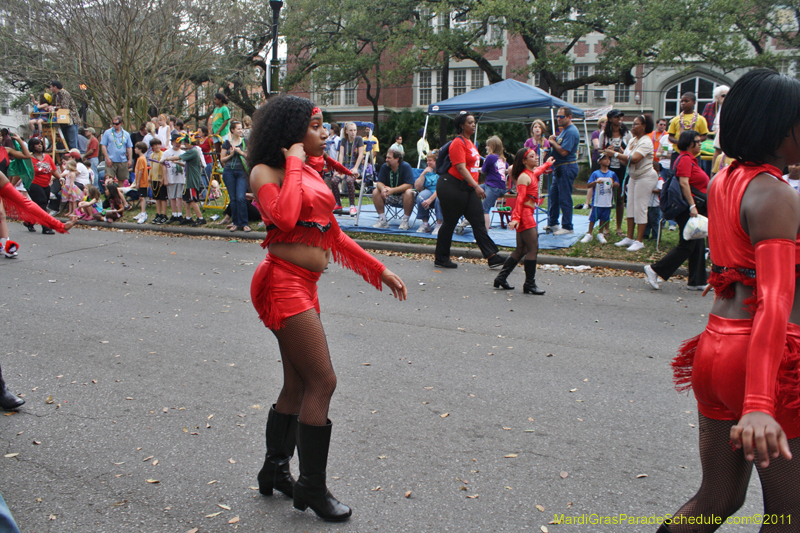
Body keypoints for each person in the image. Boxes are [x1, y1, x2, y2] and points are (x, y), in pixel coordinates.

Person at [247, 95, 406, 522]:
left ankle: (275, 469)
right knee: (324, 381)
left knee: (297, 386)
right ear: (293, 132)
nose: (325, 134)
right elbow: (283, 218)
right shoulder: (267, 172)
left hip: (306, 286)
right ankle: (311, 489)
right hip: (282, 286)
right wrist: (296, 162)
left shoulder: (309, 174)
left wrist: (380, 270)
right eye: (316, 127)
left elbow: (332, 235)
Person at [656, 69, 800, 533]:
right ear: (781, 131)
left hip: (715, 349)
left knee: (717, 497)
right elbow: (775, 302)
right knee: (789, 515)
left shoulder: (727, 179)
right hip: (766, 363)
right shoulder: (776, 196)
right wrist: (759, 403)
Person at [434, 112, 504, 268]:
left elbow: (472, 167)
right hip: (451, 186)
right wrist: (477, 186)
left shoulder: (471, 143)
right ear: (462, 125)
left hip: (468, 187)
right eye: (470, 122)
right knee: (450, 222)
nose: (473, 125)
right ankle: (441, 258)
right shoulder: (458, 143)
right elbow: (460, 167)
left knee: (478, 221)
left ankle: (492, 256)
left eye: (474, 122)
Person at [643, 130, 708, 291]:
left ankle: (697, 280)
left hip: (692, 207)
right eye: (697, 141)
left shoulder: (691, 160)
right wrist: (692, 206)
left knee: (698, 243)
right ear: (689, 143)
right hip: (687, 207)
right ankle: (655, 269)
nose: (700, 144)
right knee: (687, 245)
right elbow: (684, 183)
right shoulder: (685, 159)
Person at [493, 148, 554, 293]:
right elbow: (519, 200)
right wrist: (515, 219)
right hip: (525, 216)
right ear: (524, 161)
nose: (536, 158)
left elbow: (538, 170)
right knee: (532, 249)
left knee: (521, 249)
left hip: (525, 214)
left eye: (535, 156)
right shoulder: (524, 177)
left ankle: (501, 278)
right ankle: (529, 284)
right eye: (532, 156)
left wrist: (547, 164)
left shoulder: (531, 173)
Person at [611, 114, 660, 252]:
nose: (633, 126)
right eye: (632, 124)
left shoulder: (646, 141)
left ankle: (639, 241)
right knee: (630, 206)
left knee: (640, 207)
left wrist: (614, 154)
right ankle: (630, 237)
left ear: (644, 126)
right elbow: (625, 160)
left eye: (636, 124)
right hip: (633, 177)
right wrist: (617, 152)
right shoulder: (633, 140)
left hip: (645, 177)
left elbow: (634, 158)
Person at [547, 107, 581, 236]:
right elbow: (560, 145)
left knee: (564, 197)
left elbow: (563, 151)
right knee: (554, 197)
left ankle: (567, 226)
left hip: (567, 167)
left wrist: (552, 142)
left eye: (561, 117)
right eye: (557, 116)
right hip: (560, 167)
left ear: (569, 117)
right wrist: (555, 139)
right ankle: (553, 223)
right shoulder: (565, 131)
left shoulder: (571, 131)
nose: (558, 119)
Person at [597, 109, 632, 233]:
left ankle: (618, 227)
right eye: (617, 117)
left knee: (620, 198)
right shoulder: (604, 135)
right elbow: (599, 151)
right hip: (608, 169)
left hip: (622, 169)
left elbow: (631, 151)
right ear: (610, 119)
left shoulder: (627, 134)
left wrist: (622, 152)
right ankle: (606, 227)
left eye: (621, 117)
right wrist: (608, 151)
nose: (620, 119)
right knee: (607, 197)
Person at [0, 132, 32, 258]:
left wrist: (19, 141)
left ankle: (5, 245)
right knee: (1, 214)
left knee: (2, 215)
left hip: (2, 187)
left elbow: (26, 155)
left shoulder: (6, 150)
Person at [163, 134, 206, 227]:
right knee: (186, 199)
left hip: (192, 179)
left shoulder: (193, 151)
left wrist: (166, 159)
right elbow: (186, 164)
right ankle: (188, 217)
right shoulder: (192, 151)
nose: (184, 145)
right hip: (188, 179)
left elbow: (179, 156)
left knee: (192, 200)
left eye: (185, 143)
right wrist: (177, 163)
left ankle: (201, 218)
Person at [371, 149, 416, 230]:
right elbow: (379, 182)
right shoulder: (385, 166)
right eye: (386, 157)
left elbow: (409, 185)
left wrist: (393, 190)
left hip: (403, 197)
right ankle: (382, 220)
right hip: (388, 195)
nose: (386, 160)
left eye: (389, 158)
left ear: (397, 159)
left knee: (409, 192)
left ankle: (405, 220)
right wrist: (383, 189)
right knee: (376, 191)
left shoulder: (406, 166)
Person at [580, 152, 619, 244]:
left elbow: (617, 184)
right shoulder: (595, 173)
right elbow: (589, 185)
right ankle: (589, 233)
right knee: (593, 218)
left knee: (604, 218)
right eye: (605, 159)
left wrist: (615, 184)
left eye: (609, 159)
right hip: (597, 201)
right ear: (600, 161)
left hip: (607, 201)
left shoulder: (612, 174)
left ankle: (600, 233)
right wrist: (596, 182)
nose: (607, 161)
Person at [27, 137, 62, 234]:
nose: (39, 145)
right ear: (31, 146)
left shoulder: (47, 157)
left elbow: (53, 170)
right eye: (36, 144)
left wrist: (60, 177)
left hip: (46, 184)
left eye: (40, 144)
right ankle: (46, 227)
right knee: (42, 203)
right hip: (33, 184)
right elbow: (21, 171)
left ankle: (29, 221)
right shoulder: (29, 159)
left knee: (40, 205)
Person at [220, 121, 250, 231]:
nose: (240, 130)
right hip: (229, 172)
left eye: (241, 128)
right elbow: (222, 159)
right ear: (232, 130)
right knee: (233, 199)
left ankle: (244, 223)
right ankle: (235, 223)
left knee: (241, 197)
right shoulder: (227, 143)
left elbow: (249, 156)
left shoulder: (245, 142)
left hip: (241, 172)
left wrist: (241, 152)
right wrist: (231, 155)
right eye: (238, 128)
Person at [667, 92, 709, 165]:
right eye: (682, 101)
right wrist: (680, 142)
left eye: (686, 101)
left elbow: (704, 135)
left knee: (695, 174)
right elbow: (670, 136)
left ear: (693, 102)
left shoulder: (700, 119)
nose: (683, 103)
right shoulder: (675, 119)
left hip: (694, 153)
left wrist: (692, 142)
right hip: (678, 153)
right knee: (675, 174)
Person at [480, 135, 509, 230]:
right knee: (475, 189)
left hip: (493, 187)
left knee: (485, 209)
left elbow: (483, 171)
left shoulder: (490, 158)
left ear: (492, 147)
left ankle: (484, 234)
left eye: (487, 145)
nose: (486, 147)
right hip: (499, 187)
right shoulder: (503, 160)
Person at [335, 122, 363, 215]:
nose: (353, 132)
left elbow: (361, 155)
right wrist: (339, 168)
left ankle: (352, 206)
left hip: (355, 167)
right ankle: (338, 204)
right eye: (351, 130)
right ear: (346, 131)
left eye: (355, 130)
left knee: (349, 180)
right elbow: (341, 154)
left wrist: (355, 168)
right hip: (345, 167)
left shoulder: (359, 139)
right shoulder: (343, 140)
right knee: (334, 180)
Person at [414, 151, 442, 234]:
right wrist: (423, 174)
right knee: (420, 196)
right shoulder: (427, 171)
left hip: (440, 192)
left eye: (430, 160)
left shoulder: (442, 171)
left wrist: (430, 199)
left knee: (439, 199)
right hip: (429, 190)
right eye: (427, 160)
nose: (428, 162)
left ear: (436, 161)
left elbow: (441, 188)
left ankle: (439, 224)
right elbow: (417, 187)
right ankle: (425, 223)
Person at [49, 81, 82, 150]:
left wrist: (54, 108)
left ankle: (74, 157)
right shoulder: (55, 95)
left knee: (72, 142)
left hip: (71, 120)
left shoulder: (64, 93)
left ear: (55, 87)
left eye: (51, 87)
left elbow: (64, 107)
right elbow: (52, 104)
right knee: (66, 142)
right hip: (62, 122)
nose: (50, 89)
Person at [101, 116, 133, 185]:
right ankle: (110, 194)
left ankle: (120, 194)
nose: (114, 125)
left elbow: (129, 147)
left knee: (122, 180)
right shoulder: (107, 132)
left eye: (116, 124)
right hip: (111, 160)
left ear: (121, 123)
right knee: (109, 179)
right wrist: (107, 158)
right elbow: (103, 145)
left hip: (122, 160)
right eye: (113, 123)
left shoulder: (126, 134)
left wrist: (130, 159)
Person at [162, 133, 186, 224]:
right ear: (171, 142)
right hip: (171, 178)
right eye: (176, 142)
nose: (177, 144)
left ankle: (179, 214)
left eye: (179, 142)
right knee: (172, 196)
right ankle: (174, 214)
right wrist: (165, 178)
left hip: (180, 178)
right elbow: (163, 165)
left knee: (179, 196)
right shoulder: (166, 153)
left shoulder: (183, 153)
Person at [148, 138, 169, 225]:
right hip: (154, 178)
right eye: (155, 145)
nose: (157, 146)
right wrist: (150, 176)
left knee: (162, 197)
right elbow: (151, 166)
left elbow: (164, 167)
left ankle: (164, 214)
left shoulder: (163, 154)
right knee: (157, 198)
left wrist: (163, 179)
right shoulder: (152, 155)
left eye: (158, 144)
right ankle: (158, 213)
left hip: (161, 178)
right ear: (152, 146)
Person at [132, 142, 150, 223]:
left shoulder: (141, 159)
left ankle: (143, 213)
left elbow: (140, 171)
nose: (134, 149)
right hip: (141, 182)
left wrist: (138, 182)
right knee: (140, 197)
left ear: (140, 149)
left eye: (136, 148)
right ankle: (142, 212)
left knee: (142, 198)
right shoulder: (140, 158)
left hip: (143, 182)